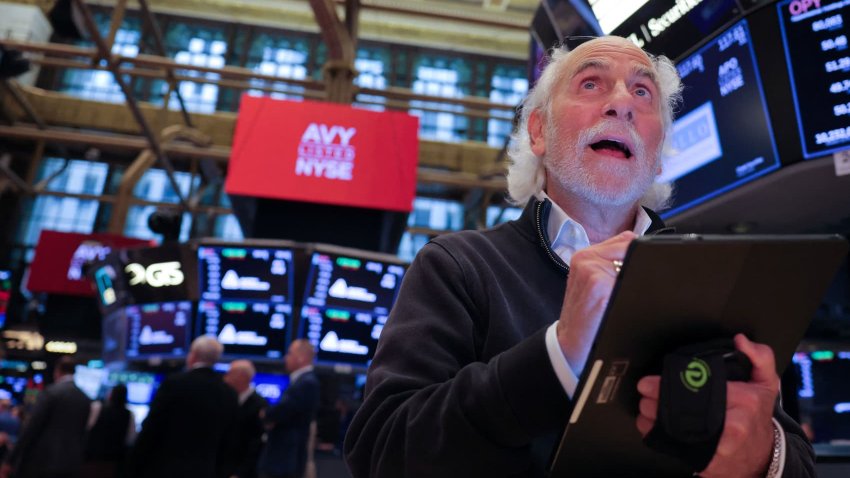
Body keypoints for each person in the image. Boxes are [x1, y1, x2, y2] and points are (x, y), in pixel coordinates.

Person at [343, 36, 815, 478]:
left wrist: (763, 457)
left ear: (656, 157)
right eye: (591, 83)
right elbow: (380, 450)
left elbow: (797, 459)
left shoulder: (713, 277)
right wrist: (558, 354)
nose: (622, 103)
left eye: (642, 92)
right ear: (538, 131)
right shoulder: (458, 266)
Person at [127, 335, 239, 478]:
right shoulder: (229, 392)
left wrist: (133, 467)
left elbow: (152, 427)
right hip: (206, 471)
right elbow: (229, 441)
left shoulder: (174, 383)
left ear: (193, 356)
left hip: (166, 468)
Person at [1, 356, 91, 478]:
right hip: (72, 462)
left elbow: (31, 427)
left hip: (44, 461)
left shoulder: (51, 392)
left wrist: (10, 460)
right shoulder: (85, 398)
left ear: (57, 371)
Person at [258, 339, 320, 478]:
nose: (286, 357)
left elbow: (283, 410)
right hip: (286, 457)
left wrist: (266, 414)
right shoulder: (302, 381)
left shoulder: (307, 382)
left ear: (301, 358)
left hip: (287, 457)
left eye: (290, 353)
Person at [224, 359, 268, 478]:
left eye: (230, 373)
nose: (225, 378)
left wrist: (240, 473)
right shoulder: (227, 399)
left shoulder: (259, 404)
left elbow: (256, 444)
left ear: (243, 377)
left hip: (245, 472)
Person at [83, 384, 136, 478]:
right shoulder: (129, 414)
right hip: (113, 460)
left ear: (111, 394)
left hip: (93, 456)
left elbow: (87, 428)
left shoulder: (98, 407)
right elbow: (130, 439)